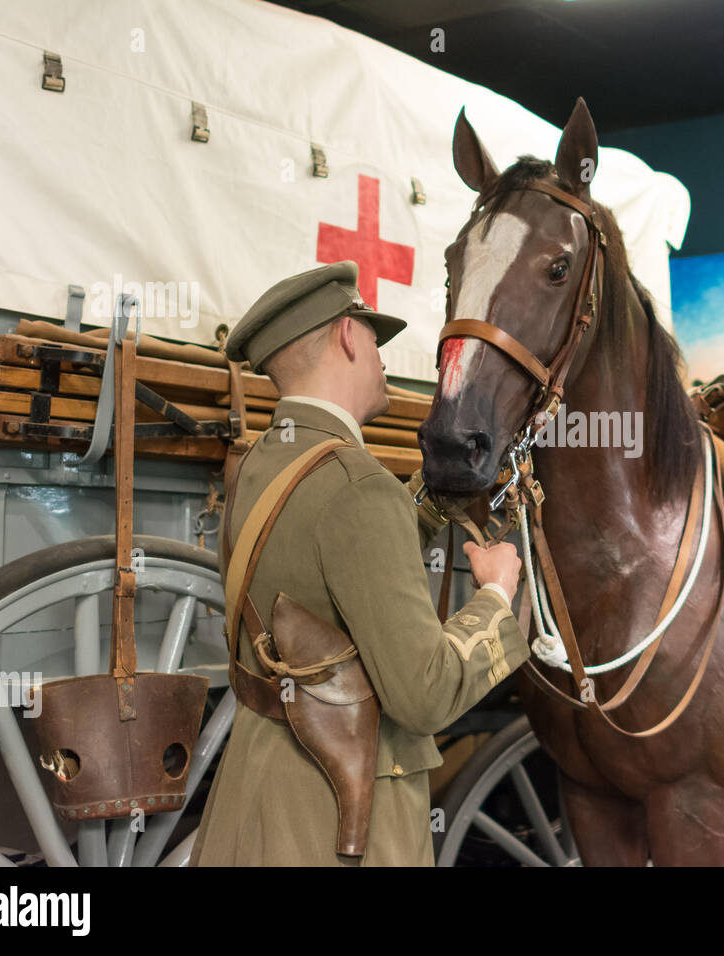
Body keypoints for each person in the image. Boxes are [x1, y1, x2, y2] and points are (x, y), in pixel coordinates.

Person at [190, 260, 527, 866]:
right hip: (340, 823)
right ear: (348, 335)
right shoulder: (356, 486)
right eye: (375, 337)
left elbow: (326, 546)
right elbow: (424, 695)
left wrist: (428, 498)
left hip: (252, 797)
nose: (380, 355)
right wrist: (496, 596)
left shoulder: (256, 465)